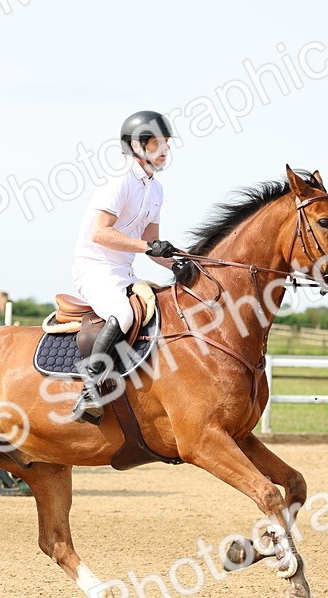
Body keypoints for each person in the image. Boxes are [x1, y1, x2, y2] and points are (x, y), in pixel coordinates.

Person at [70, 110, 196, 424]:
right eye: (157, 143)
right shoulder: (119, 180)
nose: (165, 149)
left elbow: (152, 243)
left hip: (124, 272)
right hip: (94, 267)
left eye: (167, 143)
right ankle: (89, 391)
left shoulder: (156, 189)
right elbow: (100, 232)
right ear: (137, 147)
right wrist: (146, 247)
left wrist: (181, 262)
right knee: (124, 314)